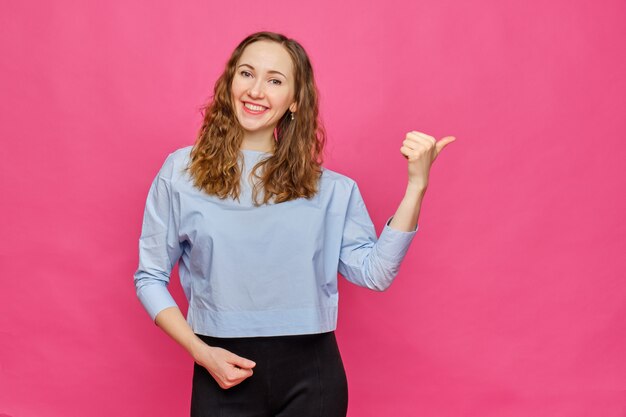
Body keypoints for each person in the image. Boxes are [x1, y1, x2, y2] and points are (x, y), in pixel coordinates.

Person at [133, 31, 455, 417]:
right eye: (246, 74)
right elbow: (149, 277)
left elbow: (376, 273)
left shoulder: (331, 189)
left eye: (275, 80)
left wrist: (416, 187)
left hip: (312, 376)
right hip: (219, 368)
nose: (256, 90)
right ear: (229, 82)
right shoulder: (179, 173)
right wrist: (201, 353)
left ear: (295, 102)